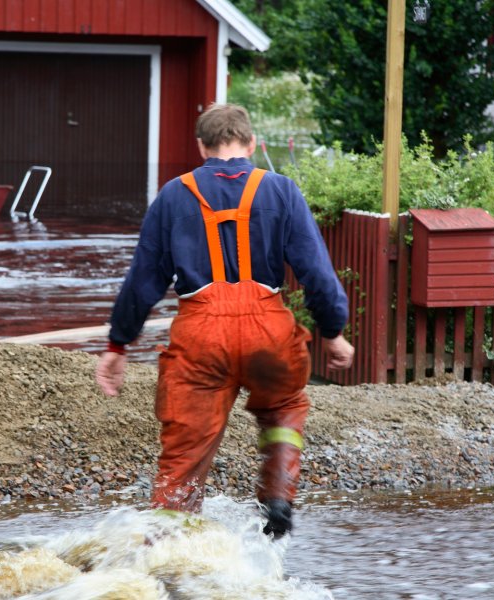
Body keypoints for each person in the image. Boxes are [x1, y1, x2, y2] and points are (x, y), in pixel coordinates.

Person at [95, 103, 354, 538]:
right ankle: (277, 496)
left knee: (183, 457)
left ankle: (168, 547)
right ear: (252, 143)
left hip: (200, 336)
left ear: (202, 146)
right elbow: (316, 271)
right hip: (268, 331)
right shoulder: (282, 191)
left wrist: (118, 346)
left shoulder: (174, 195)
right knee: (284, 409)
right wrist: (333, 332)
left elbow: (143, 280)